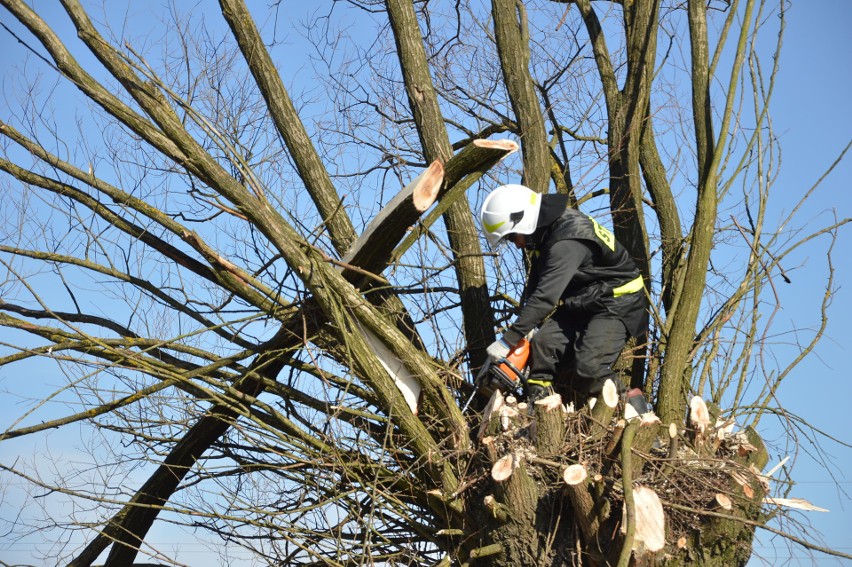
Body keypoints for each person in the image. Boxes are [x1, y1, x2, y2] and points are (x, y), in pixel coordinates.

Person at [480, 184, 650, 416]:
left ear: (524, 221)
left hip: (616, 300)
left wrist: (509, 340)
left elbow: (546, 297)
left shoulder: (565, 242)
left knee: (589, 366)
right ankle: (539, 408)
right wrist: (528, 327)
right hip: (584, 301)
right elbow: (537, 285)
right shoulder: (546, 233)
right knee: (543, 345)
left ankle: (636, 411)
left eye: (513, 237)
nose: (517, 244)